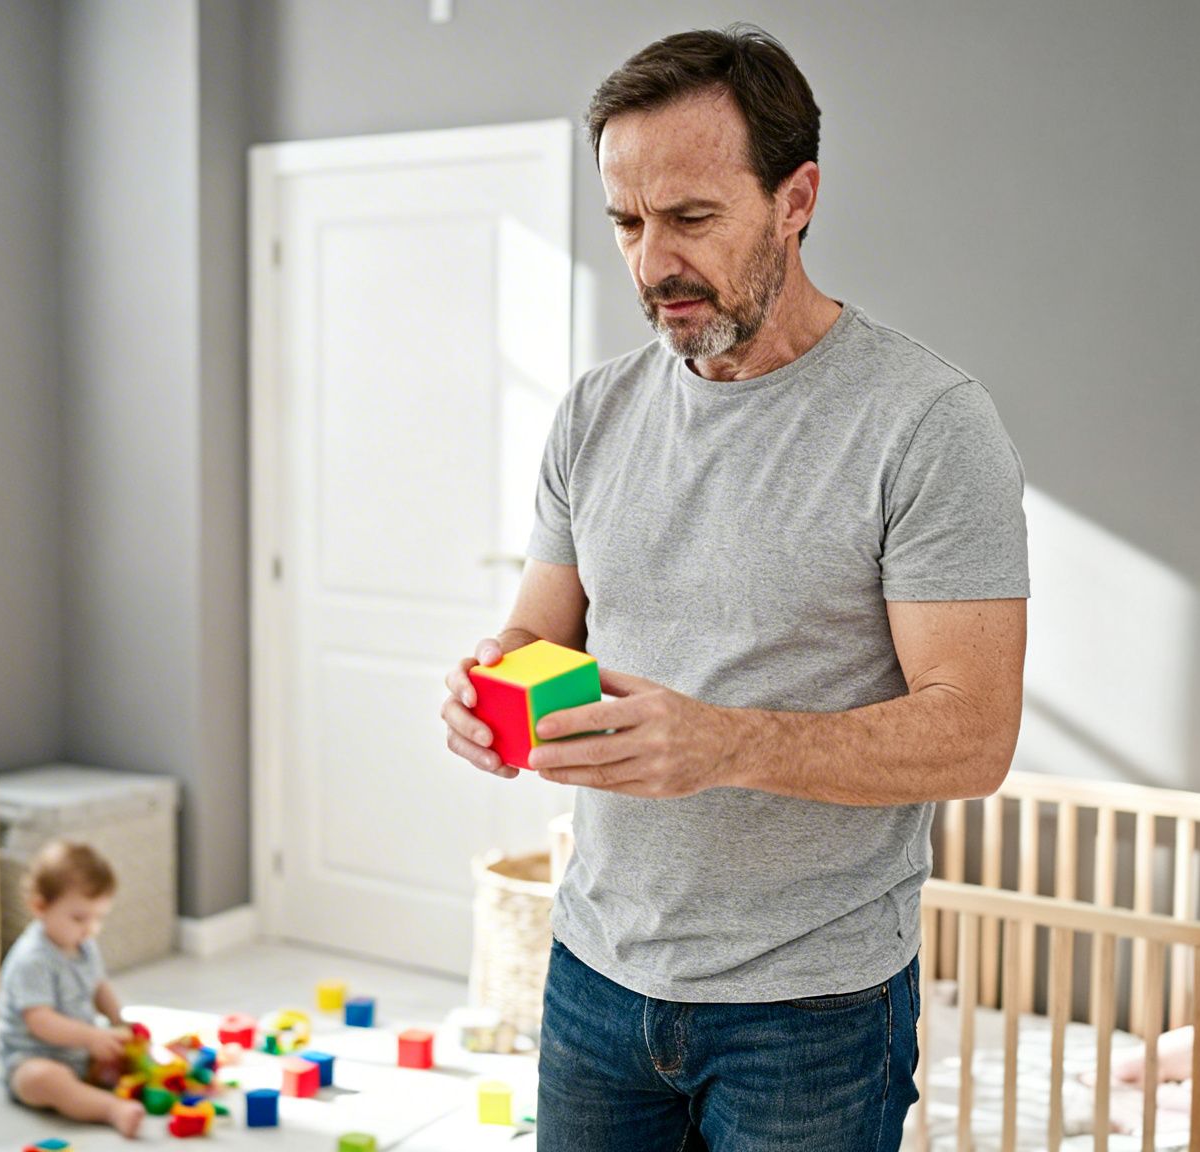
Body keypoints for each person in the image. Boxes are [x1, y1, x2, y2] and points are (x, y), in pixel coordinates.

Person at [439, 24, 1029, 1152]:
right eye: (625, 221)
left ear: (795, 197)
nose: (652, 260)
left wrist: (724, 744)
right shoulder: (591, 415)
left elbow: (972, 736)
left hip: (810, 1015)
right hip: (593, 977)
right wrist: (487, 680)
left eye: (691, 218)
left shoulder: (924, 424)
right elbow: (536, 625)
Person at [0, 839, 142, 1138]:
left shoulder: (84, 945)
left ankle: (120, 1085)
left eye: (99, 917)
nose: (91, 928)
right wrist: (91, 1036)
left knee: (124, 1055)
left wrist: (120, 1023)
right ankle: (110, 1109)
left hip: (79, 1053)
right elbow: (40, 1022)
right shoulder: (32, 959)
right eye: (79, 918)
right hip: (32, 1058)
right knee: (43, 1079)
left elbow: (99, 987)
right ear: (40, 906)